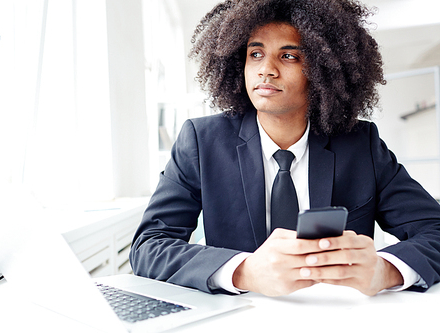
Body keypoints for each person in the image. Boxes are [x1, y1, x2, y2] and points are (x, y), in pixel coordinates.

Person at [129, 0, 440, 297]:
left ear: (323, 71)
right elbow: (149, 246)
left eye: (289, 56)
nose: (267, 70)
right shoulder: (201, 140)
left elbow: (434, 230)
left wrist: (385, 270)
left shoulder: (361, 144)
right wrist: (244, 271)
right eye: (255, 54)